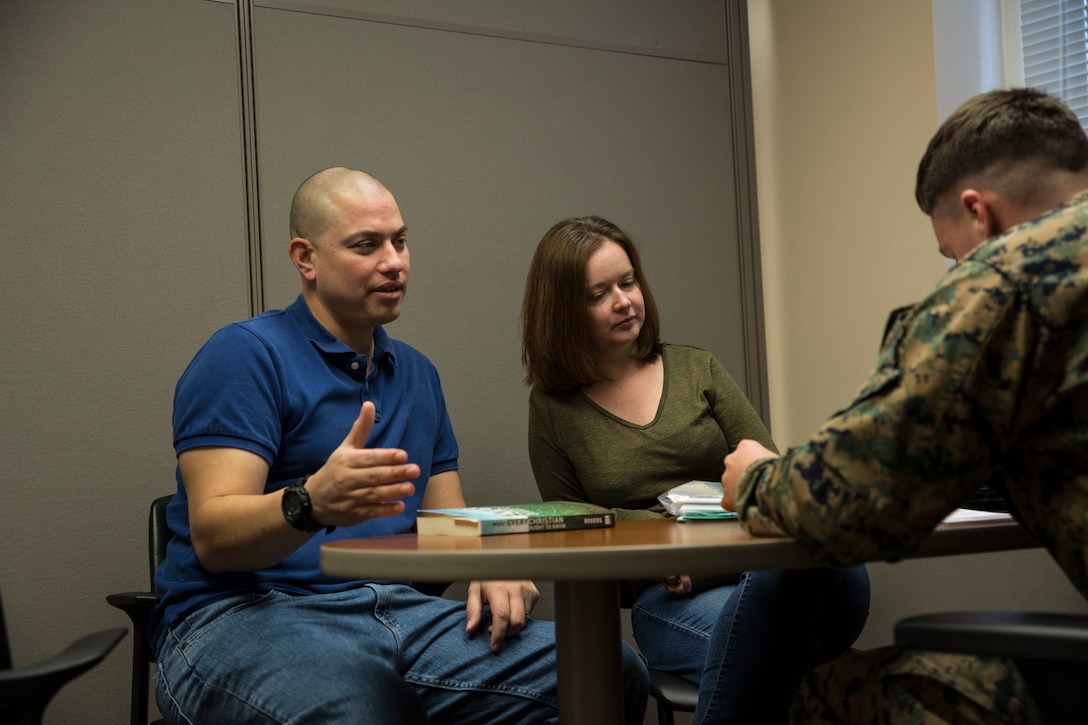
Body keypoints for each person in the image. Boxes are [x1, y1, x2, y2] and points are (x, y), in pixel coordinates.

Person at [150, 167, 649, 724]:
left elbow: (447, 524)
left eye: (401, 241)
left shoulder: (416, 373)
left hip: (394, 612)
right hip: (240, 617)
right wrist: (309, 503)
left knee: (606, 670)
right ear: (305, 258)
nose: (395, 261)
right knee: (366, 709)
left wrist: (490, 557)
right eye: (367, 245)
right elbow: (215, 539)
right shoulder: (244, 354)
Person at [721, 87, 1088, 724]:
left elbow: (852, 503)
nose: (957, 273)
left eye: (954, 257)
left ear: (981, 216)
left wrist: (753, 478)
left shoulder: (1009, 276)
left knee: (824, 695)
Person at [520, 215, 871, 725]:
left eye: (628, 281)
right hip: (669, 602)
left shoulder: (697, 369)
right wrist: (661, 544)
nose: (623, 300)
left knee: (816, 562)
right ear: (562, 311)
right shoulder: (553, 408)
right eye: (599, 293)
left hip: (780, 575)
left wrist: (694, 557)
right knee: (795, 673)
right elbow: (577, 531)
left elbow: (769, 486)